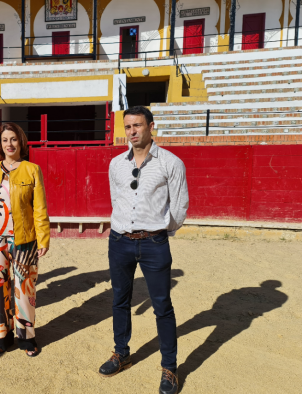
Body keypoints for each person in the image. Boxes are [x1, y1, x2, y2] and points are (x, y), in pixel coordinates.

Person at [99, 106, 188, 394]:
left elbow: (179, 207)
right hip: (120, 240)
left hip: (154, 243)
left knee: (162, 306)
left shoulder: (171, 163)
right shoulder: (116, 164)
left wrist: (160, 230)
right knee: (120, 301)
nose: (132, 131)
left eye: (138, 125)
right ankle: (121, 353)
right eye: (128, 127)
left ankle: (169, 368)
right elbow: (117, 200)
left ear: (151, 127)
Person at [0, 122, 50, 357]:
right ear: (0, 143)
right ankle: (2, 335)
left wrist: (44, 238)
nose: (9, 144)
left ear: (21, 143)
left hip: (24, 240)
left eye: (14, 139)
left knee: (24, 288)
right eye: (5, 140)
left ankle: (27, 338)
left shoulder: (32, 169)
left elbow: (39, 208)